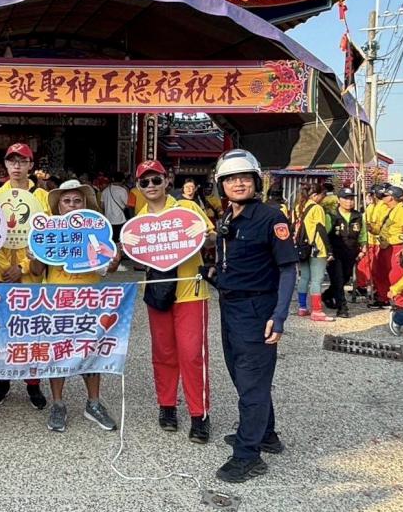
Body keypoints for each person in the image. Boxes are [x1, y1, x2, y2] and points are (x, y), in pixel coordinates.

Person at [211, 149, 297, 483]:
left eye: (244, 178)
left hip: (257, 310)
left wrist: (279, 316)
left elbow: (288, 270)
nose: (238, 183)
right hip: (230, 307)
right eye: (231, 179)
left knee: (251, 384)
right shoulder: (227, 218)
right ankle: (266, 435)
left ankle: (247, 455)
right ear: (221, 184)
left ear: (256, 181)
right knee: (242, 375)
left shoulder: (271, 218)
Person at [123, 161, 214, 443]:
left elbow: (212, 238)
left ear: (166, 180)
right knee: (163, 352)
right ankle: (167, 406)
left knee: (192, 354)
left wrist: (204, 236)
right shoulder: (139, 220)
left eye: (155, 180)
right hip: (158, 291)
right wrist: (126, 244)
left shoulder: (187, 208)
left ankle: (199, 415)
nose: (151, 186)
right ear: (138, 187)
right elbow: (135, 255)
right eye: (144, 182)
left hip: (190, 291)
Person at [29, 179, 121, 433]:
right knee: (58, 352)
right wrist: (34, 255)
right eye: (67, 201)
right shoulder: (48, 234)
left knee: (91, 350)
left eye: (77, 201)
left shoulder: (95, 232)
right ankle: (58, 404)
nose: (72, 205)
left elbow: (106, 269)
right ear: (58, 206)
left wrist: (114, 261)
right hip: (56, 300)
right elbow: (36, 271)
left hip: (90, 300)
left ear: (85, 205)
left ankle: (94, 403)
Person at [0, 143, 50, 409]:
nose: (17, 166)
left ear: (31, 165)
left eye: (22, 161)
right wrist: (5, 267)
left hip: (30, 276)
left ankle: (33, 383)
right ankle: (3, 380)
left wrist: (22, 267)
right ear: (5, 164)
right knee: (2, 330)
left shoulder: (43, 197)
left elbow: (46, 237)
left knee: (30, 330)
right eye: (12, 161)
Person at [322, 187, 366, 318]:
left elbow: (362, 233)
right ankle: (342, 307)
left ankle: (327, 295)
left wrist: (363, 247)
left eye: (351, 199)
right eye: (346, 199)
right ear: (339, 200)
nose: (349, 202)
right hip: (335, 253)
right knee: (338, 278)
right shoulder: (331, 216)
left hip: (351, 252)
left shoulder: (358, 216)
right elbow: (324, 235)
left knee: (345, 278)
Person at [293, 184, 333, 321]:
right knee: (317, 279)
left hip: (302, 247)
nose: (323, 198)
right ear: (315, 195)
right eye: (323, 195)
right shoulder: (317, 208)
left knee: (304, 277)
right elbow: (321, 229)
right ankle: (317, 311)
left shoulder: (299, 207)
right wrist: (329, 249)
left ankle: (302, 307)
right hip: (317, 247)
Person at [373, 185, 403, 308]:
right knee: (380, 272)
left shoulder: (402, 211)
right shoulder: (388, 209)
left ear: (392, 198)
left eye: (386, 195)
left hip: (396, 247)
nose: (383, 198)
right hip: (385, 246)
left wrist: (397, 242)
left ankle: (401, 302)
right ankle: (383, 297)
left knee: (396, 276)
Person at [101, 171, 129, 243]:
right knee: (120, 239)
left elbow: (102, 206)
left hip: (108, 219)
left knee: (110, 239)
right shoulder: (122, 190)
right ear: (123, 180)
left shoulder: (105, 190)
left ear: (113, 179)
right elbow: (127, 204)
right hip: (120, 219)